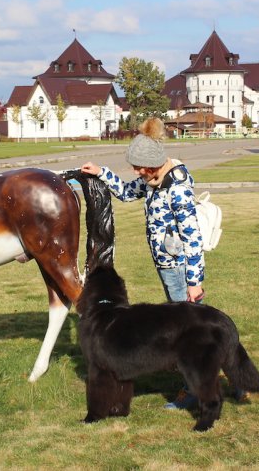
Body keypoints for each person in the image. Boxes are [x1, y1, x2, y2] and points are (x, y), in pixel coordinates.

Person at [81, 117, 205, 410]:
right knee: (192, 327)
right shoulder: (151, 180)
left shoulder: (177, 188)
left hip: (179, 268)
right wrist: (102, 173)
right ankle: (220, 376)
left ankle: (195, 392)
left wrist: (194, 280)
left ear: (153, 163)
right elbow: (125, 192)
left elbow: (193, 236)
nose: (136, 172)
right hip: (166, 264)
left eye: (139, 167)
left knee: (189, 331)